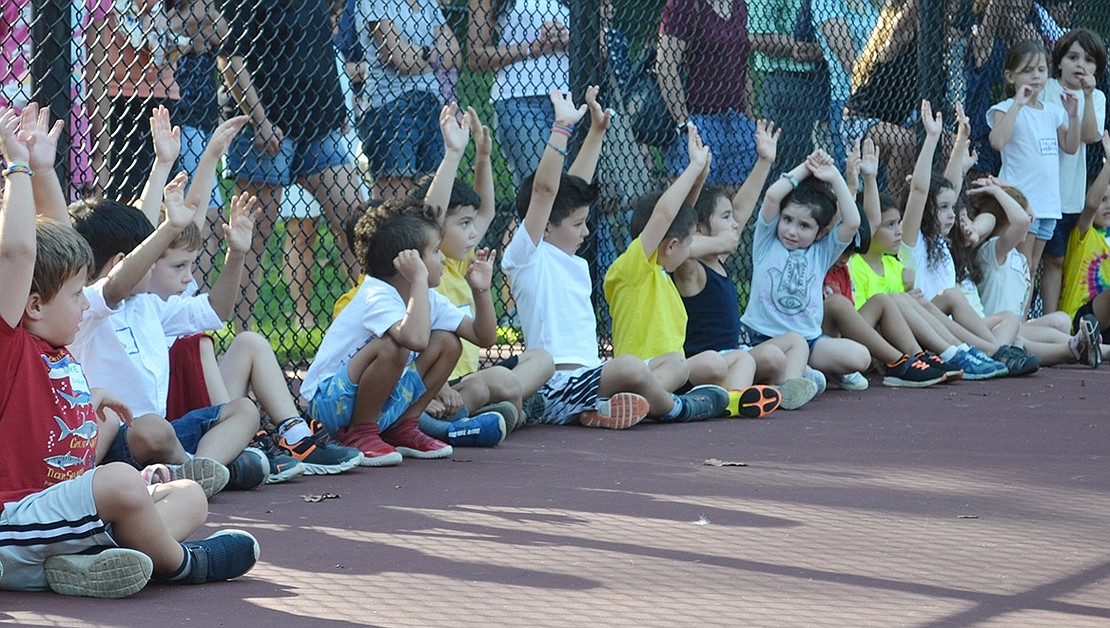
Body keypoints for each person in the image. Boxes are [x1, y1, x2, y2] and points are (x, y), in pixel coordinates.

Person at [0, 106, 258, 599]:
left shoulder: (57, 350)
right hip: (15, 522)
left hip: (62, 524)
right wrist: (17, 165)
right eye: (76, 296)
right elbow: (20, 255)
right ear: (31, 306)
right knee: (120, 482)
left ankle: (88, 564)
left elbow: (58, 245)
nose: (85, 302)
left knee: (188, 495)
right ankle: (181, 564)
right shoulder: (12, 343)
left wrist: (45, 168)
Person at [502, 87, 727, 430]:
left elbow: (572, 187)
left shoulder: (568, 259)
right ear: (545, 226)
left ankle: (614, 406)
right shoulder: (528, 256)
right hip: (556, 387)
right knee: (631, 368)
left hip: (588, 381)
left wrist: (596, 132)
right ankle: (676, 408)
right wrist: (561, 127)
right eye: (577, 224)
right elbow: (546, 191)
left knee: (677, 364)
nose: (586, 232)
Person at [301, 108, 501, 464]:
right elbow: (413, 340)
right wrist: (421, 280)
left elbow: (484, 338)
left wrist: (481, 292)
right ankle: (361, 432)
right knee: (393, 347)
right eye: (435, 253)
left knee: (448, 341)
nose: (442, 260)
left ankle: (403, 427)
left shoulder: (425, 296)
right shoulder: (377, 292)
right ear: (408, 263)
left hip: (373, 398)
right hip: (327, 404)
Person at [69, 171, 269, 493]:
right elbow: (115, 287)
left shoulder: (150, 306)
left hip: (167, 435)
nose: (154, 267)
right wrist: (170, 227)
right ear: (123, 262)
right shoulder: (88, 307)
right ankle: (205, 470)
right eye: (150, 259)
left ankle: (199, 470)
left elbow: (216, 310)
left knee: (243, 409)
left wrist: (236, 255)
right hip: (124, 440)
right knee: (153, 429)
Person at [605, 125, 779, 419]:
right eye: (689, 245)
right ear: (671, 246)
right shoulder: (633, 267)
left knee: (730, 361)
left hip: (674, 370)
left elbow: (679, 218)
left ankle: (729, 402)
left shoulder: (662, 272)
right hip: (639, 372)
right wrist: (693, 167)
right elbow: (664, 216)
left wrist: (698, 177)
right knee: (685, 363)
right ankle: (634, 405)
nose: (692, 251)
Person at [407, 109, 555, 443]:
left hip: (470, 376)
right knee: (500, 382)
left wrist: (484, 157)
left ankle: (509, 409)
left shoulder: (458, 262)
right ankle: (506, 413)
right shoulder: (422, 265)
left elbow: (485, 212)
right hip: (439, 385)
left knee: (542, 359)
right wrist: (453, 153)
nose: (474, 233)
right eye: (462, 225)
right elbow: (432, 213)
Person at [219, 0, 364, 330]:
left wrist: (338, 108)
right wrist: (260, 121)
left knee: (357, 220)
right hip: (270, 128)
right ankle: (241, 337)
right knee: (253, 238)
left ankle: (372, 323)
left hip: (319, 124)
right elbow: (230, 60)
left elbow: (319, 46)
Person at [673, 120, 820, 408]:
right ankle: (734, 402)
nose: (735, 224)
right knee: (764, 358)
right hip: (708, 362)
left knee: (793, 343)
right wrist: (719, 242)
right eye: (725, 218)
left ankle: (790, 388)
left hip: (736, 353)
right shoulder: (691, 269)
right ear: (700, 229)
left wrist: (764, 161)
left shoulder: (718, 259)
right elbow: (680, 240)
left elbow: (742, 208)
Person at [738, 146, 871, 381]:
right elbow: (772, 196)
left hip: (809, 342)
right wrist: (806, 167)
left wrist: (833, 175)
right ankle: (794, 382)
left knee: (861, 357)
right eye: (787, 219)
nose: (791, 231)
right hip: (762, 340)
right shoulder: (767, 241)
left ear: (821, 232)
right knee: (776, 357)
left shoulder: (822, 252)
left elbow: (852, 222)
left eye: (804, 226)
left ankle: (802, 371)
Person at [986, 38, 1079, 308]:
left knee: (1033, 266)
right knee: (1021, 265)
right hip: (1023, 203)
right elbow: (997, 141)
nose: (1036, 76)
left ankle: (1021, 323)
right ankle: (1014, 323)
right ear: (1010, 76)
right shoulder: (1004, 109)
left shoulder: (1052, 111)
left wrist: (1073, 116)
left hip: (1048, 204)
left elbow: (1070, 147)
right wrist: (1017, 103)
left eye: (1041, 70)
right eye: (1028, 70)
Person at [349, 0, 460, 199]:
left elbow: (455, 55)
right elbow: (400, 59)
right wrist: (433, 55)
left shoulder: (428, 3)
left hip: (433, 105)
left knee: (432, 199)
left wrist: (419, 53)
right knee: (396, 204)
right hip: (391, 106)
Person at [86, 0, 187, 202]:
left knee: (159, 195)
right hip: (112, 92)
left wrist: (170, 25)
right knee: (115, 197)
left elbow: (205, 12)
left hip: (159, 91)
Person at [1039, 28, 1107, 313]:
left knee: (1057, 259)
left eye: (1089, 60)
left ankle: (1056, 319)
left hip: (1070, 192)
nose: (1081, 65)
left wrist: (1088, 98)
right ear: (1059, 62)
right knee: (1031, 260)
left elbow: (1090, 136)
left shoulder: (1098, 97)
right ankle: (1038, 321)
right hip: (1042, 189)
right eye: (1073, 57)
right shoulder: (1047, 89)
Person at [467, 0, 569, 187]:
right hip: (520, 100)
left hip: (571, 100)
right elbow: (476, 56)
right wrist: (531, 48)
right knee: (539, 187)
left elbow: (602, 43)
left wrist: (569, 37)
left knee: (573, 192)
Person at [656, 0, 757, 187]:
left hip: (736, 122)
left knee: (731, 207)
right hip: (698, 119)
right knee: (693, 206)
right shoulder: (684, 4)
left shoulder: (740, 5)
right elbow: (666, 64)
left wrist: (751, 120)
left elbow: (743, 64)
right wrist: (683, 124)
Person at [747, 0, 825, 179]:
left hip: (818, 81)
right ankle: (776, 204)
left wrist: (820, 48)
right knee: (785, 163)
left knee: (809, 161)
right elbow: (758, 36)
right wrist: (806, 48)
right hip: (783, 78)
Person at [810, 0, 881, 169]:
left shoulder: (874, 3)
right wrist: (879, 81)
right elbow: (848, 58)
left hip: (884, 99)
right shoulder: (826, 3)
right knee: (855, 177)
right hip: (850, 99)